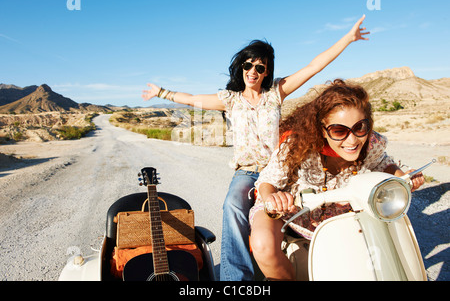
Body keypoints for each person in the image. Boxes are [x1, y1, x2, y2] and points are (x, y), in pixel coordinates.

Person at [142, 15, 370, 281]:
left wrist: (348, 38)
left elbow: (314, 67)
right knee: (232, 206)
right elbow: (192, 99)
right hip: (248, 173)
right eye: (248, 65)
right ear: (241, 67)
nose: (253, 71)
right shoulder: (230, 100)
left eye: (260, 68)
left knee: (304, 206)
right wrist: (161, 92)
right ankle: (236, 279)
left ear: (266, 72)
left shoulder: (276, 93)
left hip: (281, 172)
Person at [249, 79, 425, 280]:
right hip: (292, 215)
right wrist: (273, 198)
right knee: (263, 244)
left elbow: (384, 164)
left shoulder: (370, 143)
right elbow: (268, 180)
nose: (352, 140)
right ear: (323, 129)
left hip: (341, 222)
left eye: (360, 127)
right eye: (339, 131)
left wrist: (403, 176)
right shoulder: (297, 145)